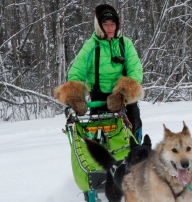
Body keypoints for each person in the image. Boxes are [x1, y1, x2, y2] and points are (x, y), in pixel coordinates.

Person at [54, 3, 144, 144]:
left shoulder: (125, 44)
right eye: (105, 24)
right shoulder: (91, 46)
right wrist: (75, 97)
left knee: (133, 128)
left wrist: (122, 94)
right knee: (101, 141)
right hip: (99, 98)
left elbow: (135, 71)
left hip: (123, 99)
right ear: (99, 26)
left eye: (113, 24)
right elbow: (76, 73)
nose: (110, 28)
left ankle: (136, 155)